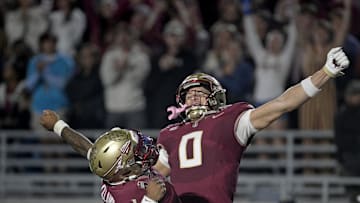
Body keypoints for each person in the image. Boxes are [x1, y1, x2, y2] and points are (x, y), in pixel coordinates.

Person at [152, 47, 350, 203]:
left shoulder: (230, 119)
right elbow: (153, 179)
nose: (193, 96)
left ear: (216, 98)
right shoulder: (170, 134)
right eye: (189, 93)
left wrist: (325, 72)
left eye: (200, 92)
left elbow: (282, 104)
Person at [40, 110, 181, 203]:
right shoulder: (128, 194)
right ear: (125, 171)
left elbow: (84, 147)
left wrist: (57, 126)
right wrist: (149, 200)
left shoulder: (111, 171)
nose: (145, 149)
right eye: (137, 151)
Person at [334, 80, 360, 203]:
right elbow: (340, 141)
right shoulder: (342, 115)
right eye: (354, 94)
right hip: (349, 158)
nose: (356, 97)